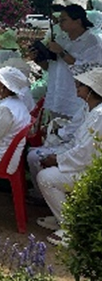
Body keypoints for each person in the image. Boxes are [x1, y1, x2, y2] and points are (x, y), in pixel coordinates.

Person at [30, 63, 102, 246]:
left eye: (81, 85)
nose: (77, 87)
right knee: (41, 162)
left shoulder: (99, 116)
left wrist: (58, 160)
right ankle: (60, 217)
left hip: (91, 170)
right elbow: (77, 142)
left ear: (91, 90)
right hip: (84, 163)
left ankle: (70, 227)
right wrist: (58, 155)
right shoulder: (89, 109)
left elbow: (85, 152)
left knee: (46, 178)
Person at [40, 4, 102, 118]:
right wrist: (38, 58)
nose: (59, 23)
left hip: (76, 102)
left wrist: (62, 52)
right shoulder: (60, 39)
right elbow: (51, 68)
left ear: (78, 21)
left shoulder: (93, 42)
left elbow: (88, 71)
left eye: (63, 20)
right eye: (59, 20)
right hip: (56, 98)